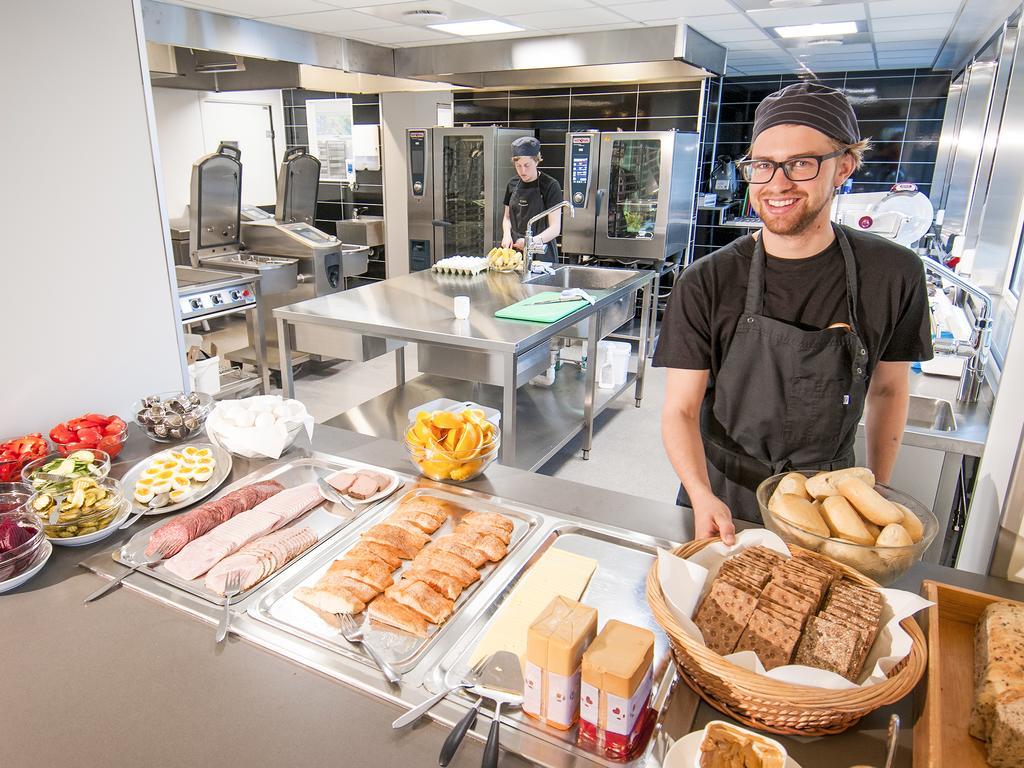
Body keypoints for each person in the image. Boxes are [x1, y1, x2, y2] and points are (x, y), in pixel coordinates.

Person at [653, 82, 933, 544]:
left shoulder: (894, 273)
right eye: (762, 165)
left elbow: (888, 390)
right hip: (723, 494)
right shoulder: (707, 280)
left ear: (843, 166)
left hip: (831, 501)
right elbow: (680, 409)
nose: (777, 183)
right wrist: (700, 494)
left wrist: (876, 492)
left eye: (800, 163)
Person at [501, 136, 563, 259]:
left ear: (537, 161)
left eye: (527, 165)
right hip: (515, 251)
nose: (522, 171)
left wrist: (531, 242)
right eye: (518, 165)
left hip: (542, 252)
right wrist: (506, 234)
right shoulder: (512, 184)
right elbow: (507, 217)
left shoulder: (550, 185)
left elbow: (555, 228)